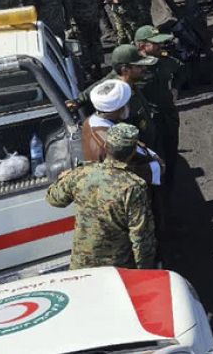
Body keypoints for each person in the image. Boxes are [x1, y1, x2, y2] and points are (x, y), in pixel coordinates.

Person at [46, 122, 156, 270]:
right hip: (118, 268)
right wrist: (145, 271)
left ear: (106, 147)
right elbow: (141, 237)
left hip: (82, 265)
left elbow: (53, 199)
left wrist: (65, 177)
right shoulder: (133, 187)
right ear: (132, 152)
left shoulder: (81, 173)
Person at [72, 45, 157, 147]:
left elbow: (109, 76)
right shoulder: (117, 99)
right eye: (138, 66)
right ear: (125, 70)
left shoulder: (129, 82)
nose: (144, 68)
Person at [135, 25, 185, 195]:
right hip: (148, 123)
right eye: (155, 44)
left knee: (171, 156)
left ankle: (168, 193)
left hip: (168, 116)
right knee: (151, 160)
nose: (160, 46)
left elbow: (181, 69)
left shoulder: (165, 60)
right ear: (142, 46)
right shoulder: (134, 67)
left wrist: (175, 89)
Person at [66, 0, 106, 79]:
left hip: (77, 17)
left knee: (82, 43)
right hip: (93, 15)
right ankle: (98, 67)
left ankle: (88, 70)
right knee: (95, 40)